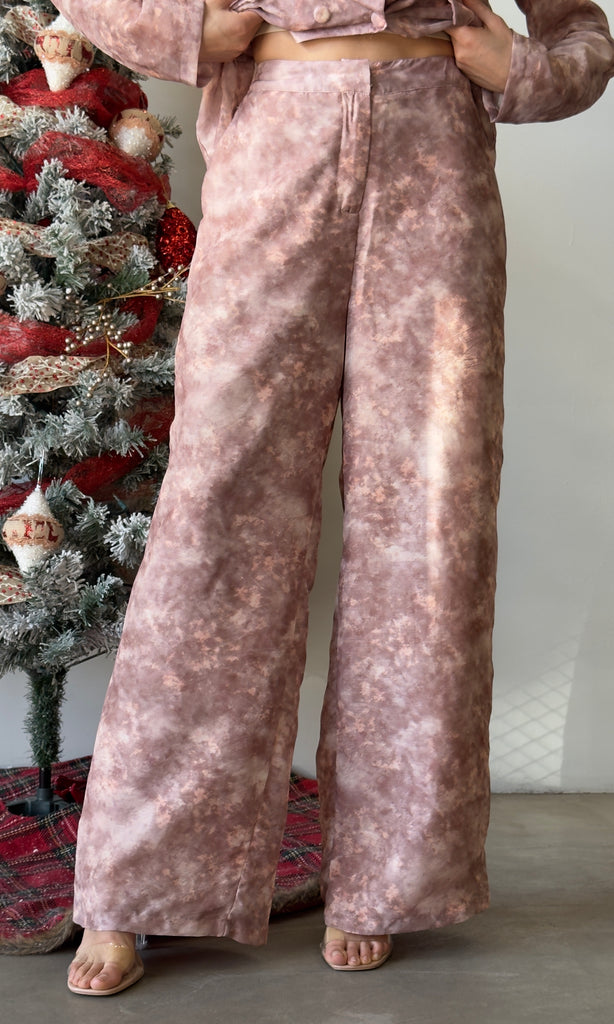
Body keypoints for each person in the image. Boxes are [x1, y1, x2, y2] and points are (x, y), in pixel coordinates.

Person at [52, 0, 613, 996]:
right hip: (277, 131)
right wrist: (187, 32)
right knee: (217, 511)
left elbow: (581, 33)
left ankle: (387, 877)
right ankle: (138, 881)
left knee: (429, 515)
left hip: (433, 151)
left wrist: (522, 69)